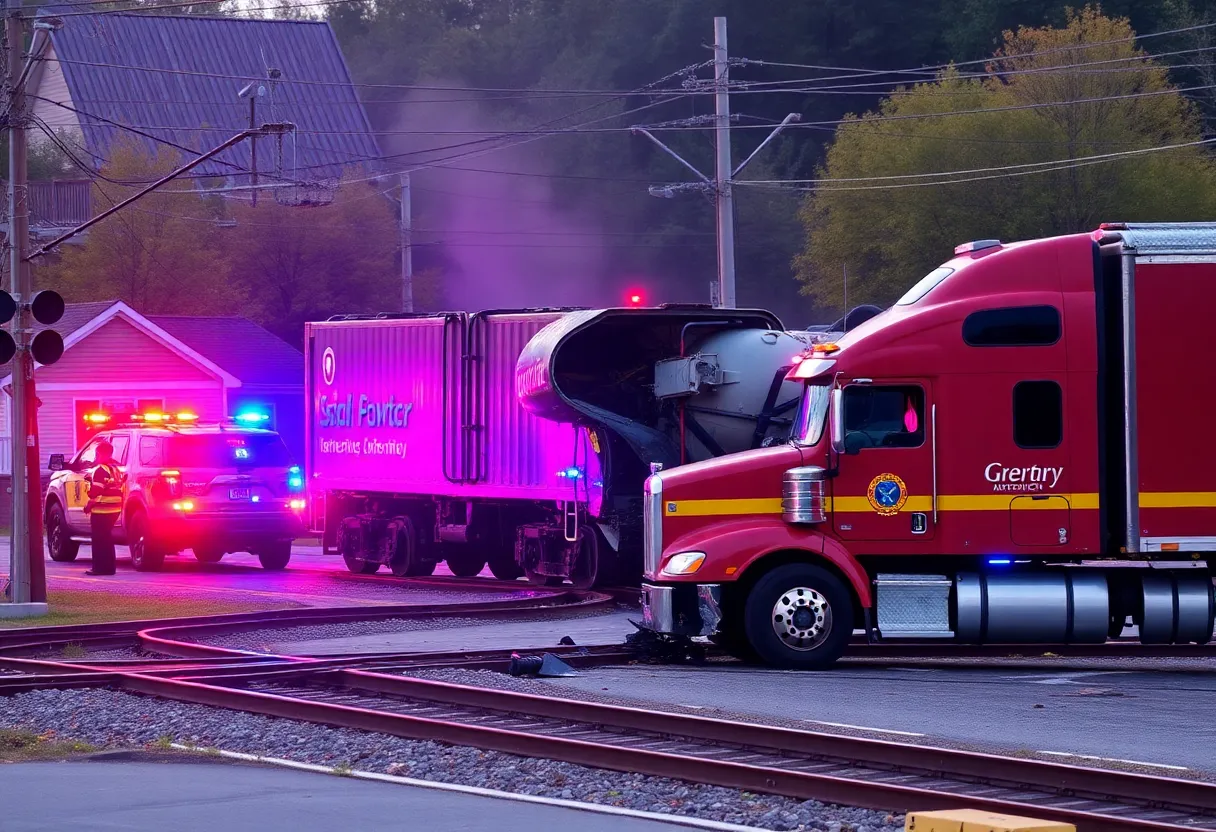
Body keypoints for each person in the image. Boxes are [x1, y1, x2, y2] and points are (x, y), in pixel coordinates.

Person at [84, 440, 125, 575]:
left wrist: (89, 505)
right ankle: (109, 568)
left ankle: (99, 568)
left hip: (102, 509)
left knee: (99, 540)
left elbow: (96, 491)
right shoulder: (115, 469)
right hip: (115, 508)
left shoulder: (100, 470)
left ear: (99, 453)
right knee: (107, 538)